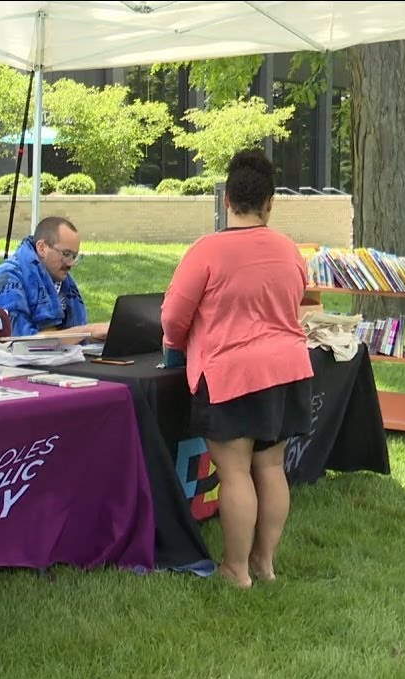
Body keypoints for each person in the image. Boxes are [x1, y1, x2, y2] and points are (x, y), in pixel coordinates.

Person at [159, 150, 313, 589]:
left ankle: (236, 569)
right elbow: (297, 299)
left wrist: (174, 346)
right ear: (271, 202)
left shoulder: (207, 250)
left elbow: (173, 318)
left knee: (234, 473)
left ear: (227, 199)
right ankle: (264, 563)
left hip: (229, 375)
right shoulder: (289, 250)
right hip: (286, 371)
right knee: (270, 469)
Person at [0, 216, 109, 340]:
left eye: (74, 256)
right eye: (66, 254)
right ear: (42, 248)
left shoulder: (62, 281)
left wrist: (102, 335)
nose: (71, 263)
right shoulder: (6, 280)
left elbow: (72, 337)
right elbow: (21, 341)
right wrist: (87, 331)